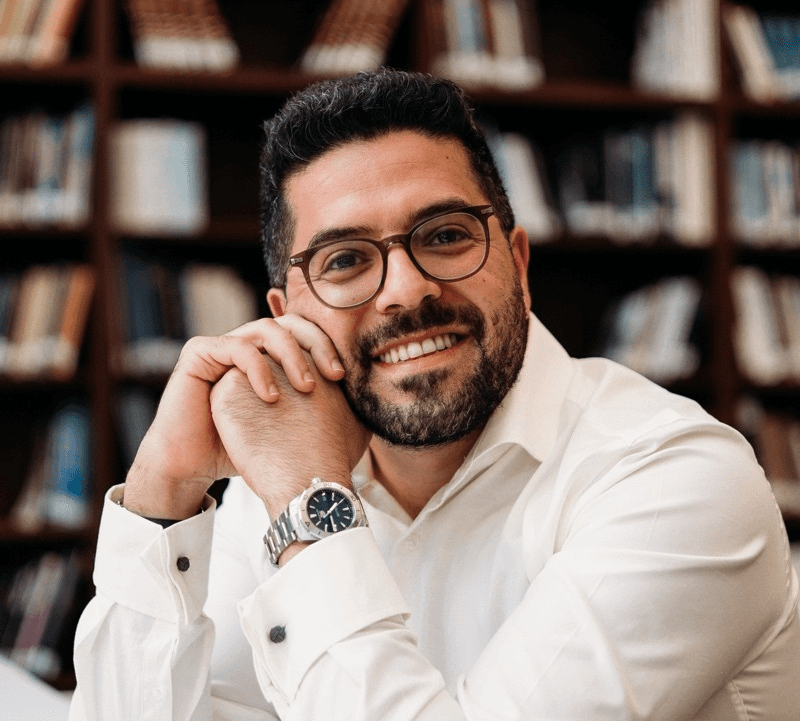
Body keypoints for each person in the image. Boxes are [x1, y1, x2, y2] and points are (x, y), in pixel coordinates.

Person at [70, 69, 800, 720]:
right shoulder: (276, 486)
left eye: (446, 235)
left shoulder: (676, 477)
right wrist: (162, 498)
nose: (406, 290)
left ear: (516, 263)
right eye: (347, 259)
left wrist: (310, 505)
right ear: (286, 317)